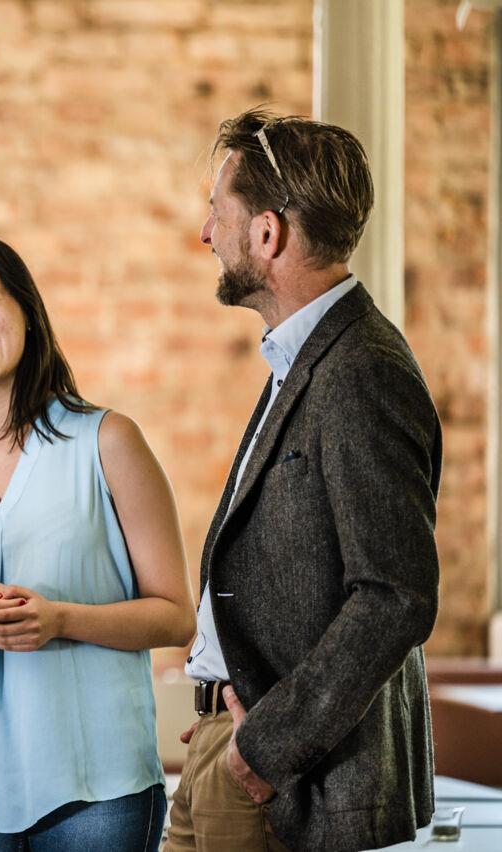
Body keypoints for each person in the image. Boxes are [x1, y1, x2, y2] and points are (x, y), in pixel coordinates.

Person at [164, 108, 441, 852]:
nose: (203, 235)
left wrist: (265, 744)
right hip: (230, 740)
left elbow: (394, 597)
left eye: (216, 214)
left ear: (266, 233)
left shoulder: (362, 370)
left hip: (289, 782)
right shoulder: (309, 355)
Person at [0, 232, 196, 850]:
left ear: (26, 310)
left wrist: (60, 620)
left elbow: (176, 616)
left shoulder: (110, 442)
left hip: (99, 787)